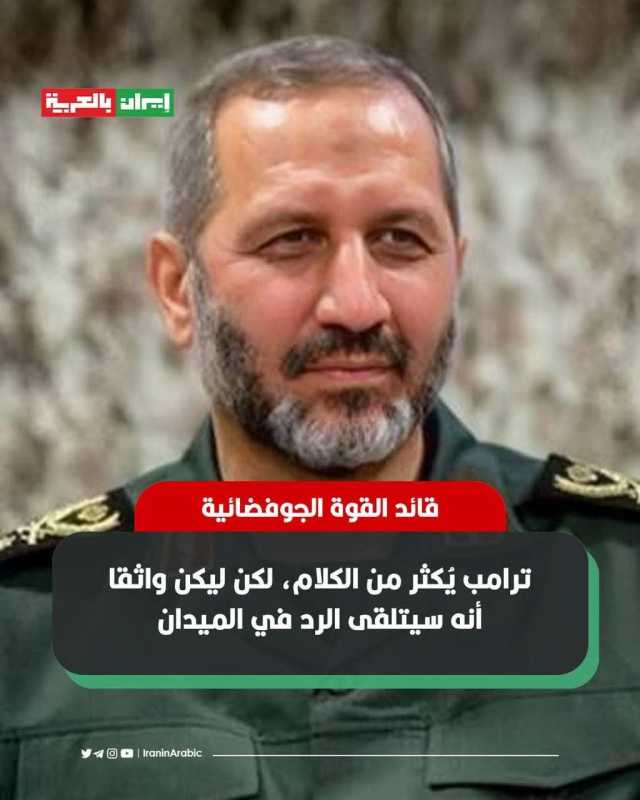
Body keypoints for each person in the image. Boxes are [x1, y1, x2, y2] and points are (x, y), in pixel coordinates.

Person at [1, 35, 639, 799]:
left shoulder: (622, 593)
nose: (357, 304)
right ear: (178, 290)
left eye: (400, 240)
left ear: (456, 271)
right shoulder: (27, 637)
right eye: (293, 241)